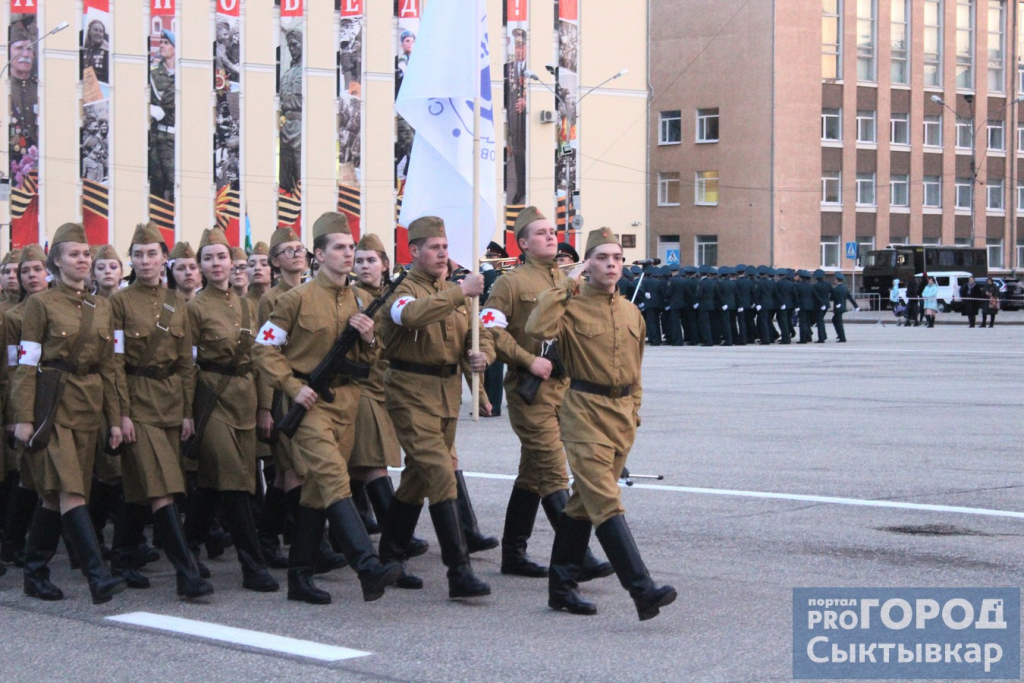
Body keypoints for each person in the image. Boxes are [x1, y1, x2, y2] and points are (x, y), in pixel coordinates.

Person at [526, 226, 676, 621]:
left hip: (621, 416)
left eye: (616, 258)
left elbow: (637, 368)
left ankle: (561, 588)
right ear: (586, 265)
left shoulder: (631, 311)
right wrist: (564, 286)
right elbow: (536, 329)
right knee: (606, 500)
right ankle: (642, 591)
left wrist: (635, 409)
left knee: (582, 503)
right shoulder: (570, 306)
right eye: (601, 258)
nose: (611, 265)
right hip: (584, 412)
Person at [254, 212, 402, 605]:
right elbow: (264, 349)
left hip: (347, 404)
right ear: (318, 254)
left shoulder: (363, 299)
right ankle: (367, 566)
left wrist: (369, 340)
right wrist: (290, 385)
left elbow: (374, 360)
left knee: (317, 493)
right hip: (310, 405)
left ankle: (299, 578)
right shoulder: (295, 299)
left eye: (351, 247)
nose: (348, 254)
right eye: (339, 247)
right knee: (334, 477)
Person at [479, 207, 611, 582]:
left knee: (532, 477)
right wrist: (526, 359)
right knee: (554, 472)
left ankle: (513, 553)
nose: (551, 237)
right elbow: (490, 329)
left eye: (552, 231)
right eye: (540, 233)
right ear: (522, 243)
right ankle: (577, 556)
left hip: (565, 388)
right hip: (529, 389)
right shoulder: (510, 283)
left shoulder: (569, 280)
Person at [376, 215, 495, 600]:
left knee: (417, 477)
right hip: (410, 392)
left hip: (445, 395)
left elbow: (476, 338)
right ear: (414, 251)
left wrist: (480, 360)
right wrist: (461, 293)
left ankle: (389, 557)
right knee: (441, 471)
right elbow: (412, 315)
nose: (443, 254)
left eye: (445, 247)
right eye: (434, 248)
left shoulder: (455, 292)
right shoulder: (402, 290)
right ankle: (458, 572)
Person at [12, 223, 126, 604]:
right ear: (56, 261)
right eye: (74, 254)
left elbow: (109, 368)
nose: (83, 260)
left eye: (85, 254)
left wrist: (115, 418)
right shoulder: (40, 305)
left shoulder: (103, 306)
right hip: (52, 404)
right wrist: (24, 417)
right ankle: (98, 576)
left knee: (54, 494)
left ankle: (35, 571)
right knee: (71, 490)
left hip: (88, 405)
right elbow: (27, 364)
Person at [109, 222, 212, 599]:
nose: (146, 260)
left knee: (142, 486)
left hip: (170, 401)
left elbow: (186, 364)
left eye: (152, 253)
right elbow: (115, 363)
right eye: (138, 255)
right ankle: (187, 572)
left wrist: (186, 411)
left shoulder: (177, 303)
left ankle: (121, 559)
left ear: (164, 258)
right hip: (137, 400)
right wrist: (121, 413)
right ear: (131, 261)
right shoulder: (118, 303)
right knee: (162, 486)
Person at [186, 228, 279, 593]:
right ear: (200, 266)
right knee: (236, 484)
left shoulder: (247, 306)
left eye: (221, 257)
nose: (216, 264)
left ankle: (187, 547)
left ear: (231, 263)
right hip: (211, 400)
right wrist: (186, 413)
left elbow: (262, 359)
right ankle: (253, 565)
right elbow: (187, 365)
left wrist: (265, 407)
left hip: (245, 398)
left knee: (214, 486)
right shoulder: (194, 308)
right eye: (207, 258)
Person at [350, 232, 429, 589]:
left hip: (388, 387)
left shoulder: (392, 295)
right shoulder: (351, 297)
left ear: (385, 264)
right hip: (361, 388)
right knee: (372, 464)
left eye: (371, 260)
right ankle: (393, 546)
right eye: (359, 260)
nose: (364, 266)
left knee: (364, 466)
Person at [0, 245, 48, 568]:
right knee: (27, 475)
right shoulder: (13, 318)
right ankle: (14, 542)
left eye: (37, 270)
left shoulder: (64, 309)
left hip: (58, 398)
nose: (31, 276)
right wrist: (15, 414)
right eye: (24, 271)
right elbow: (12, 369)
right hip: (26, 401)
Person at [149, 30, 176, 202]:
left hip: (177, 138)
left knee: (176, 184)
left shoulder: (184, 75)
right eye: (161, 42)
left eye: (166, 42)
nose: (161, 45)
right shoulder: (153, 74)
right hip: (157, 137)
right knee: (156, 184)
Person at [504, 29, 528, 205]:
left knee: (530, 153)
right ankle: (520, 188)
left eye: (522, 47)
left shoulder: (533, 67)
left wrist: (528, 102)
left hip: (529, 120)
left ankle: (529, 185)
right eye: (517, 47)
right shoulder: (509, 68)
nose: (519, 51)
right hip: (514, 119)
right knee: (518, 154)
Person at [279, 29, 303, 195]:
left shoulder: (308, 71)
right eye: (289, 46)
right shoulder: (286, 75)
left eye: (295, 45)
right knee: (285, 178)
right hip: (286, 128)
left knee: (300, 175)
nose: (292, 49)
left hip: (301, 129)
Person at [830, 273, 859, 343]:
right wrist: (856, 306)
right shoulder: (845, 288)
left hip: (837, 308)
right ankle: (840, 335)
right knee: (835, 320)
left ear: (836, 280)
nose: (834, 280)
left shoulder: (835, 289)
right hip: (843, 307)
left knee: (838, 322)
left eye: (835, 279)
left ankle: (842, 337)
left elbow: (831, 298)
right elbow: (850, 298)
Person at [80, 18, 110, 83]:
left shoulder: (107, 53)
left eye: (101, 31)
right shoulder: (84, 51)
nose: (98, 33)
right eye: (95, 30)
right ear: (89, 32)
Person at [812, 270, 831, 342]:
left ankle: (821, 338)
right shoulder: (828, 284)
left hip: (818, 305)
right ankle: (824, 335)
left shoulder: (815, 285)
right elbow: (832, 293)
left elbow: (814, 296)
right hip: (826, 304)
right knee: (821, 320)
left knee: (819, 321)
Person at [795, 270, 815, 343]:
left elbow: (796, 296)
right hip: (810, 306)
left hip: (801, 306)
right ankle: (809, 336)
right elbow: (814, 295)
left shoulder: (798, 285)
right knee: (807, 322)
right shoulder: (811, 285)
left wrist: (797, 306)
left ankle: (803, 339)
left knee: (802, 323)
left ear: (800, 277)